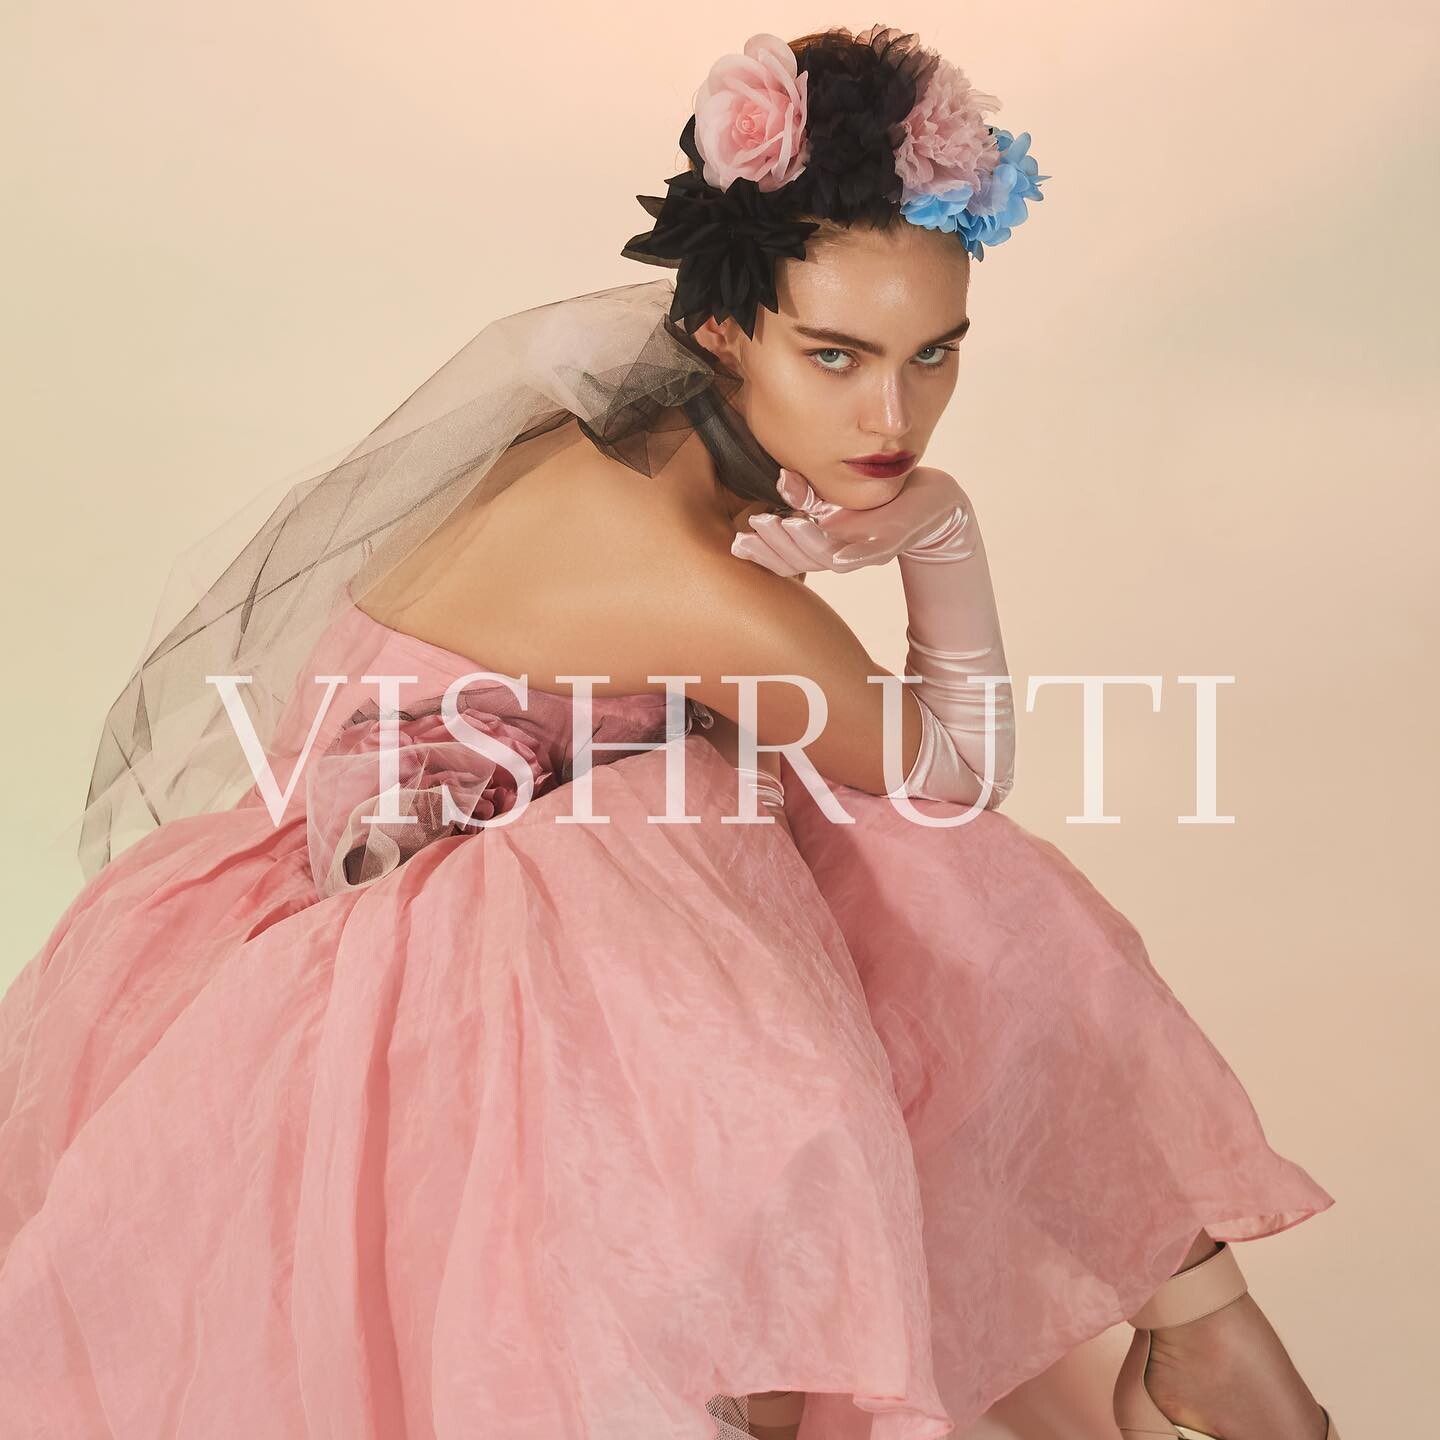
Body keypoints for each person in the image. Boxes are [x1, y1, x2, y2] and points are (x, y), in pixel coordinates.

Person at [0, 23, 1341, 1440]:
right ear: (723, 329)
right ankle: (1187, 1331)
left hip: (535, 853)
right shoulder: (690, 582)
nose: (893, 417)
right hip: (396, 962)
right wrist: (944, 534)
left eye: (933, 356)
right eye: (835, 356)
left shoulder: (654, 436)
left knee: (844, 847)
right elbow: (954, 775)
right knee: (909, 871)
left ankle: (1197, 1330)